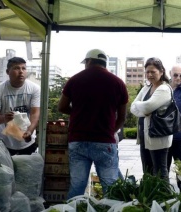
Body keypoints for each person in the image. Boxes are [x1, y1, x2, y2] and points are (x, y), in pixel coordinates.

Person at [58, 49, 128, 199]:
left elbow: (61, 107)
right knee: (110, 186)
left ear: (89, 61)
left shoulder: (75, 80)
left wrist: (79, 114)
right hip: (104, 142)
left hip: (78, 141)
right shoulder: (118, 83)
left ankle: (71, 209)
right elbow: (122, 117)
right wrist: (111, 130)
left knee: (77, 185)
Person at [0, 57, 40, 155]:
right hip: (4, 143)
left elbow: (35, 113)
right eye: (16, 68)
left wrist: (30, 131)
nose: (21, 72)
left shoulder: (34, 89)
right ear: (7, 71)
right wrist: (4, 118)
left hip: (28, 142)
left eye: (23, 68)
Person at [130, 57, 172, 181]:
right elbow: (133, 107)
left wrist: (143, 107)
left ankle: (164, 198)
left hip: (159, 136)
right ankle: (150, 198)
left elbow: (147, 107)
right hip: (145, 136)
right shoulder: (147, 88)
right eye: (147, 72)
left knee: (160, 171)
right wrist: (144, 109)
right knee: (147, 171)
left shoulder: (164, 89)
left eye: (153, 72)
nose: (149, 75)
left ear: (161, 72)